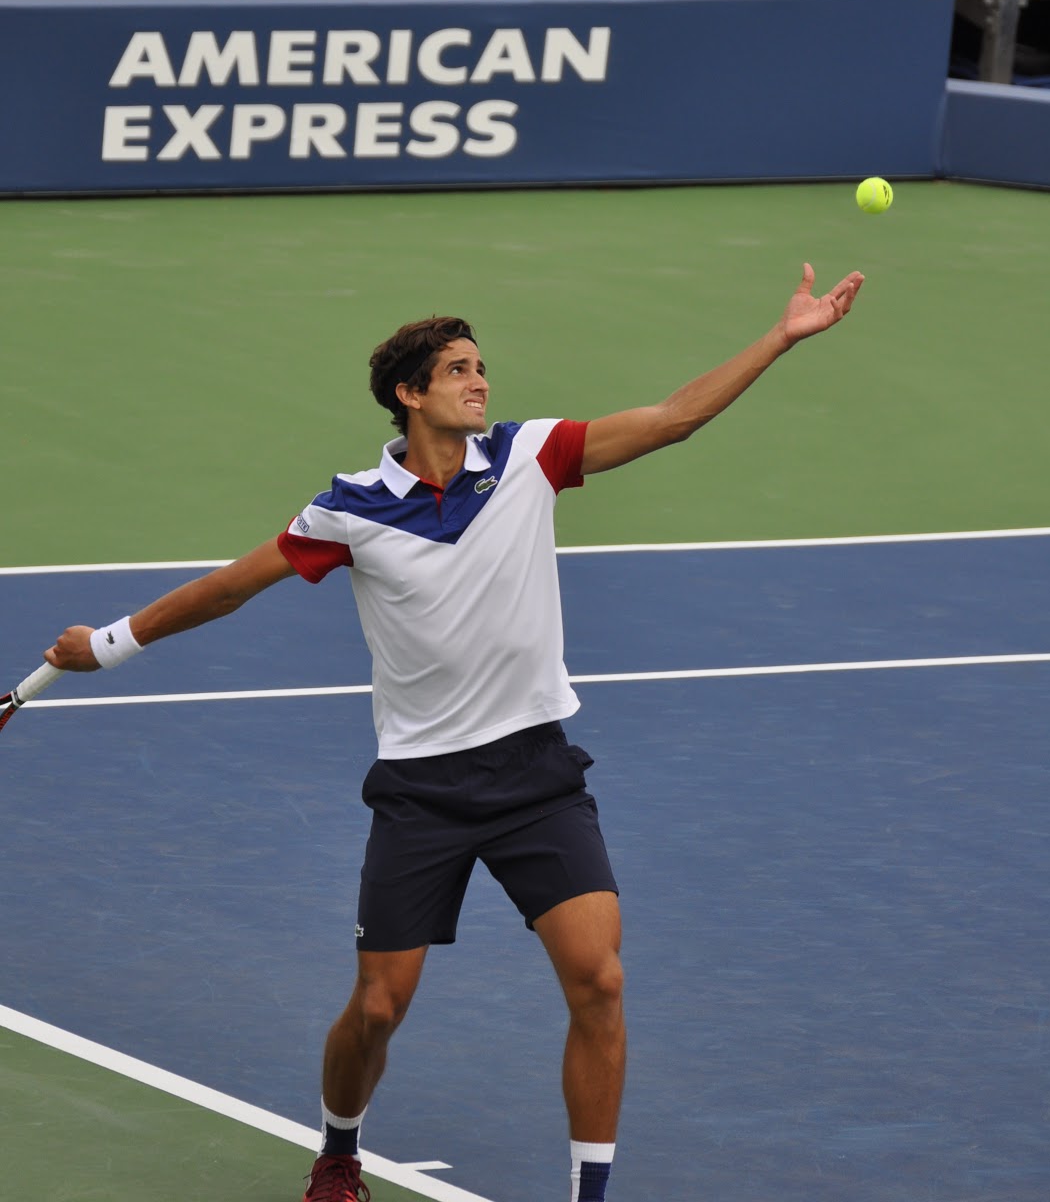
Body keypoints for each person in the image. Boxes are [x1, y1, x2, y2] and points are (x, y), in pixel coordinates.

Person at [44, 264, 864, 1202]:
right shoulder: (348, 507)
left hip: (536, 775)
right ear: (410, 393)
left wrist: (781, 335)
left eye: (482, 366)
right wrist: (105, 645)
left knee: (598, 982)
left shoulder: (533, 456)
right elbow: (230, 586)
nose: (481, 381)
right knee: (378, 1008)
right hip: (422, 791)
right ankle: (340, 1151)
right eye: (460, 369)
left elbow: (674, 416)